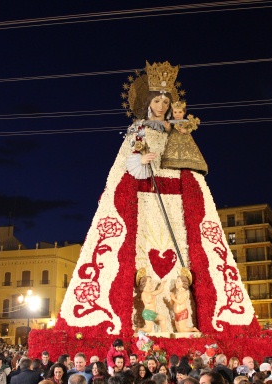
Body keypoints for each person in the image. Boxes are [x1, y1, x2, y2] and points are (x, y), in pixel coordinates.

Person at [54, 60, 257, 339]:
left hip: (176, 204)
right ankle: (146, 322)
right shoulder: (137, 131)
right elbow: (124, 168)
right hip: (145, 202)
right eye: (157, 100)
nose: (161, 105)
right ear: (148, 102)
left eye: (165, 100)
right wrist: (140, 160)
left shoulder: (179, 132)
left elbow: (191, 169)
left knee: (183, 255)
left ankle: (184, 320)